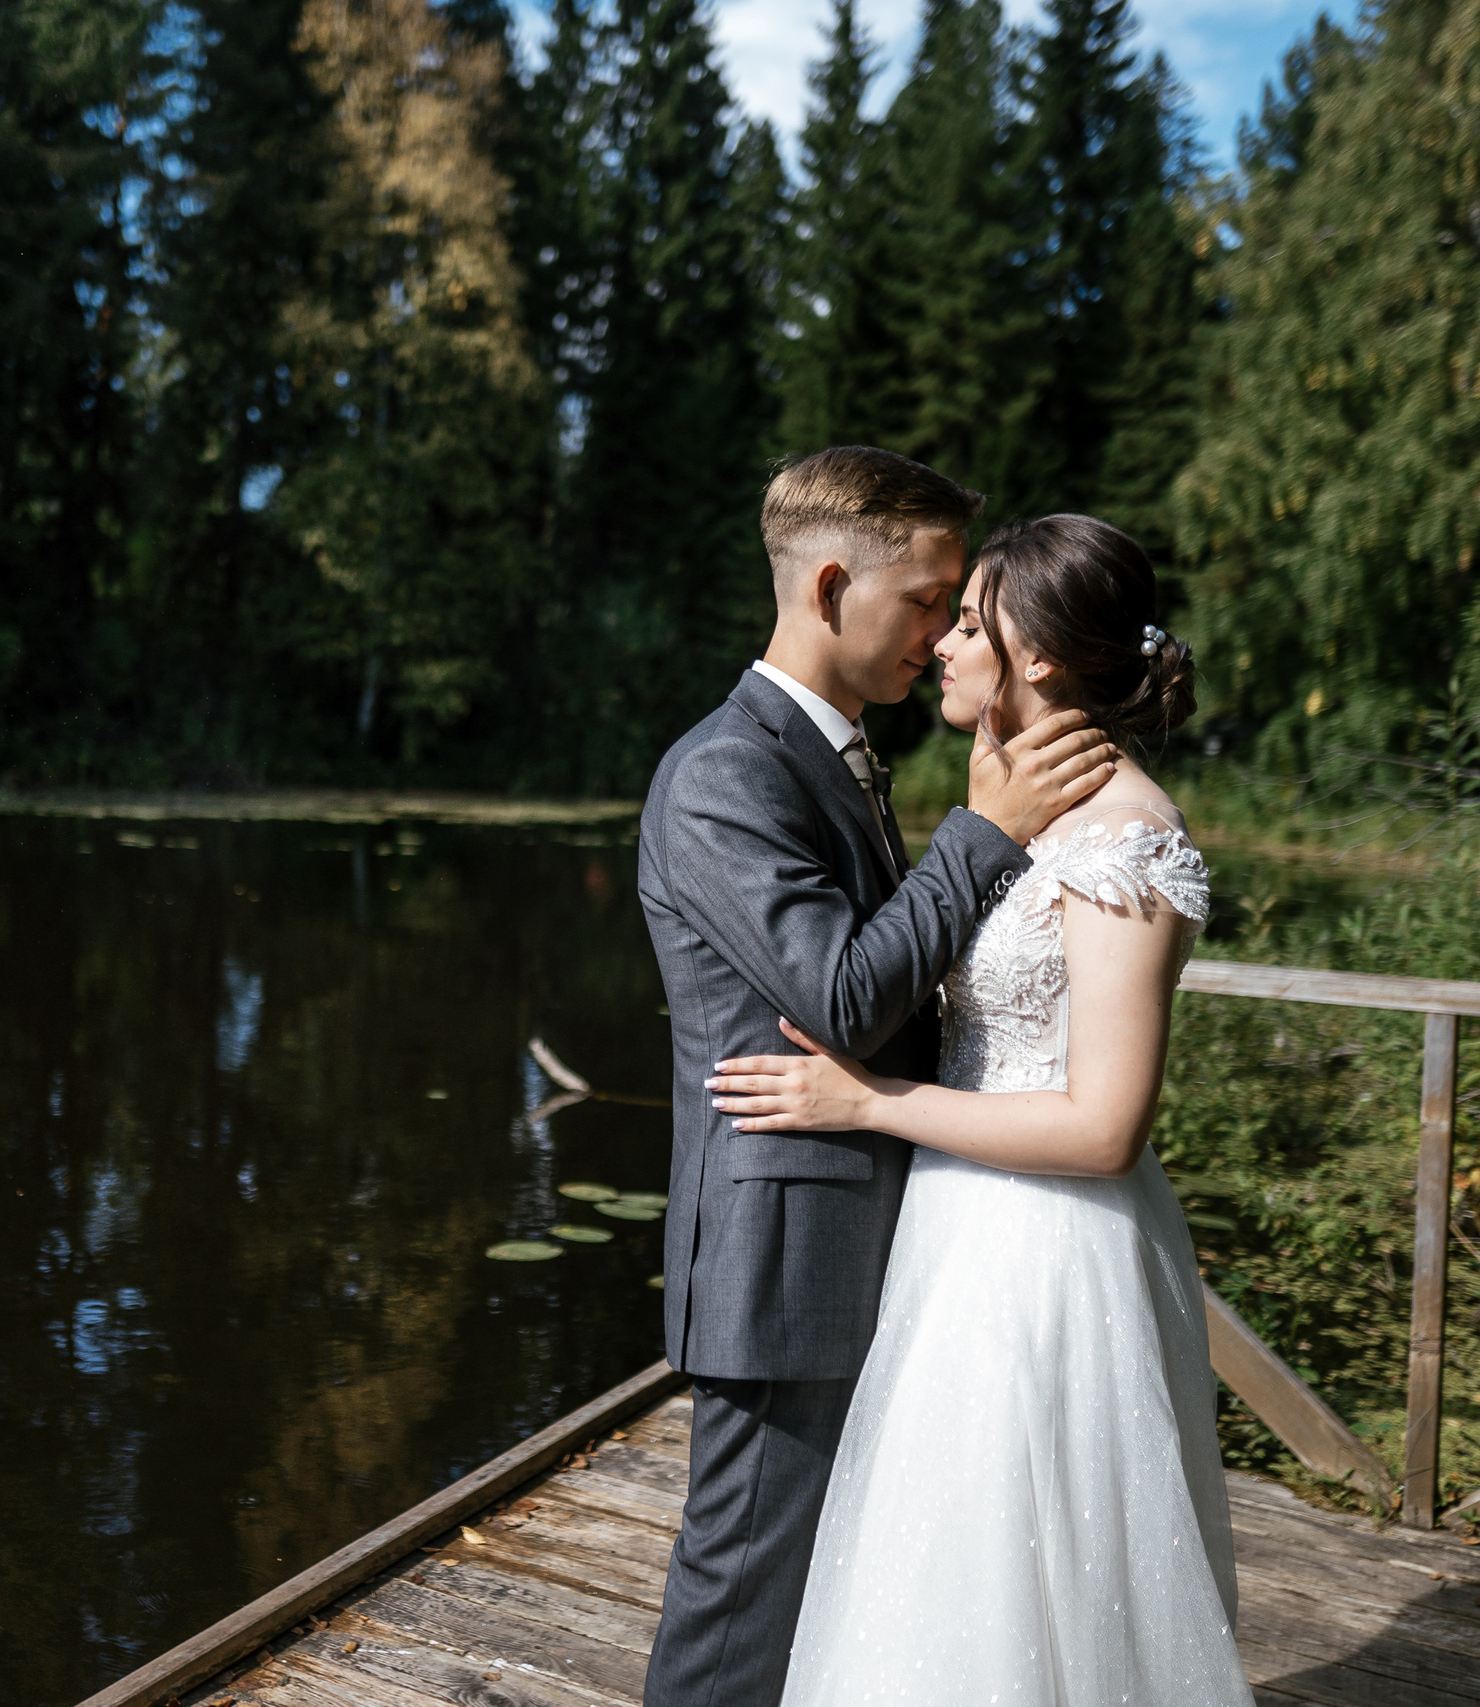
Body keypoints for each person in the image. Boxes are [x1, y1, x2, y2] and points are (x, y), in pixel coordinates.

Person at [706, 513, 1254, 1706]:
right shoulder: (1010, 803)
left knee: (1020, 1574)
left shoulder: (1124, 836)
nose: (943, 645)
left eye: (969, 623)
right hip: (957, 1235)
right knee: (938, 1573)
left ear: (1040, 656)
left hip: (1046, 1255)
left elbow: (1105, 1128)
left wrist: (869, 1101)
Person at [636, 450, 1120, 1707]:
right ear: (832, 582)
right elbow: (845, 996)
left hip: (887, 1244)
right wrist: (986, 835)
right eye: (927, 600)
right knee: (740, 1609)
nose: (944, 632)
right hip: (785, 1257)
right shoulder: (722, 775)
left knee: (829, 1602)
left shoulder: (835, 756)